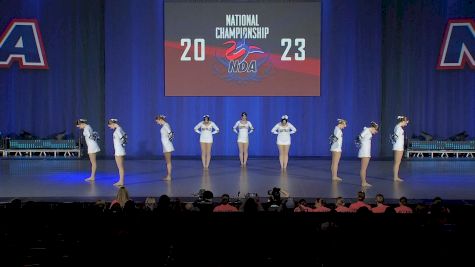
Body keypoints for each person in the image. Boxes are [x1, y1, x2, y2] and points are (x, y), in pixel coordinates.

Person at [357, 121, 379, 187]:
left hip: (366, 152)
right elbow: (359, 137)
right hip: (364, 152)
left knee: (364, 168)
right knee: (363, 168)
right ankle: (363, 182)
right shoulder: (366, 130)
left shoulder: (368, 131)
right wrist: (361, 145)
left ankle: (364, 182)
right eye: (375, 131)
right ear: (373, 128)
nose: (375, 133)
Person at [108, 119, 126, 186]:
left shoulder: (118, 130)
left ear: (112, 124)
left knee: (120, 167)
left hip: (119, 151)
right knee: (120, 167)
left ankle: (121, 181)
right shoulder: (119, 129)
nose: (110, 128)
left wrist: (120, 147)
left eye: (110, 126)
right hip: (119, 150)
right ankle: (121, 180)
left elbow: (123, 139)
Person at [156, 115, 174, 180]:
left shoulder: (166, 125)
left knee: (168, 161)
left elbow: (171, 133)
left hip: (167, 146)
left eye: (157, 121)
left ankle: (169, 176)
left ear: (160, 120)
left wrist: (167, 141)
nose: (157, 123)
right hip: (166, 145)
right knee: (167, 161)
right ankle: (168, 175)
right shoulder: (165, 125)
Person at [392, 116, 409, 182]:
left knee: (398, 163)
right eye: (406, 123)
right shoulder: (398, 128)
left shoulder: (398, 127)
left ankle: (396, 177)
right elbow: (394, 138)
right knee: (397, 163)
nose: (406, 124)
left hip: (399, 147)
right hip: (398, 147)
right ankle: (395, 177)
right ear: (403, 121)